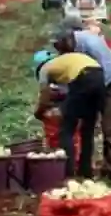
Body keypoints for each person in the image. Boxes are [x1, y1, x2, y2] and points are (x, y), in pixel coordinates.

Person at [56, 14, 111, 183]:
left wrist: (90, 93)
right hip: (90, 83)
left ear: (70, 36)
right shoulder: (72, 47)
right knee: (87, 125)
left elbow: (106, 68)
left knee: (109, 127)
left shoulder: (91, 43)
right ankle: (85, 169)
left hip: (109, 82)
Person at [32, 50, 105, 179]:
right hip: (99, 76)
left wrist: (38, 112)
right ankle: (85, 171)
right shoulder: (64, 63)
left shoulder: (45, 69)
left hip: (83, 78)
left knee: (66, 130)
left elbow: (45, 95)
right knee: (87, 130)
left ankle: (68, 171)